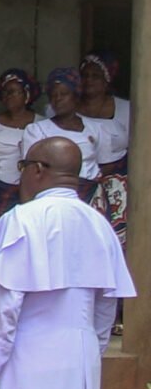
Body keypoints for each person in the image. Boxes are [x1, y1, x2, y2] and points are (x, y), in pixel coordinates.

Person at [0, 137, 135, 389]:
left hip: (28, 356)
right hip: (80, 357)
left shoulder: (22, 220)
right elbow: (104, 311)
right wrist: (87, 356)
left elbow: (3, 312)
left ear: (38, 169)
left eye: (23, 166)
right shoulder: (100, 226)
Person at [0, 69, 42, 272]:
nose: (8, 96)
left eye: (14, 91)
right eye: (5, 92)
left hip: (31, 197)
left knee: (26, 249)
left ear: (27, 95)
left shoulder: (42, 125)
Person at [24, 67, 109, 211]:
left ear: (76, 96)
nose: (57, 99)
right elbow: (30, 173)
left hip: (92, 199)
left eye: (64, 94)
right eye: (53, 95)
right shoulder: (36, 130)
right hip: (54, 200)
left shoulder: (96, 129)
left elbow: (105, 165)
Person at [77, 52, 130, 249]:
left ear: (107, 79)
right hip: (82, 183)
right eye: (85, 75)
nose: (89, 80)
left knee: (117, 241)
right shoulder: (63, 108)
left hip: (120, 187)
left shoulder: (128, 109)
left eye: (95, 76)